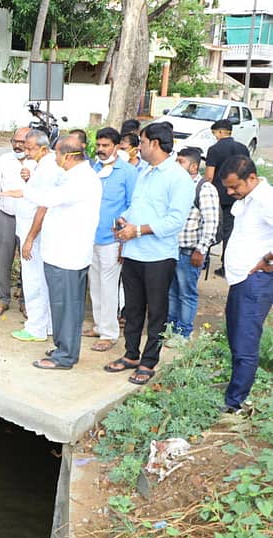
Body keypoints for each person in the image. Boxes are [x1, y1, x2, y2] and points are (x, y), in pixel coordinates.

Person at [105, 123, 193, 385]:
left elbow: (175, 221)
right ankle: (131, 355)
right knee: (132, 309)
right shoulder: (144, 172)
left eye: (141, 142)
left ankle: (148, 361)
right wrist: (124, 220)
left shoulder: (178, 178)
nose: (138, 147)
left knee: (156, 311)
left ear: (154, 143)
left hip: (158, 256)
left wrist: (139, 230)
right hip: (133, 253)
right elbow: (137, 207)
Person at [26, 136, 102, 370]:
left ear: (68, 157)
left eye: (57, 154)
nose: (55, 158)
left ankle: (65, 356)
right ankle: (63, 347)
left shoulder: (81, 180)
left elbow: (46, 198)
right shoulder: (75, 176)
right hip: (64, 253)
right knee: (65, 305)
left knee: (66, 305)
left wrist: (23, 189)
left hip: (67, 255)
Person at [217, 156, 273, 413]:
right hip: (241, 280)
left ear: (251, 178)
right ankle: (236, 390)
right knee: (236, 338)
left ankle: (235, 403)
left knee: (245, 342)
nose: (230, 192)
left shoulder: (266, 200)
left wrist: (267, 260)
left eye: (233, 187)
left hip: (255, 281)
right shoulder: (248, 197)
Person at [4, 129, 60, 343]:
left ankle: (36, 327)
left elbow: (42, 206)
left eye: (29, 148)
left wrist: (29, 238)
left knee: (34, 281)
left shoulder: (48, 169)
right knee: (39, 280)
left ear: (43, 148)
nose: (26, 152)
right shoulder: (42, 166)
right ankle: (46, 325)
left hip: (35, 235)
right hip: (32, 232)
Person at [86, 127, 137, 352]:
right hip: (90, 237)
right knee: (94, 284)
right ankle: (99, 325)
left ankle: (109, 333)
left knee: (108, 287)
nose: (101, 150)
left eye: (105, 146)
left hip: (113, 239)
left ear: (116, 146)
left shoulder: (127, 172)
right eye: (98, 145)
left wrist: (123, 241)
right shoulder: (93, 168)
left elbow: (133, 205)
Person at [165, 147, 220, 343]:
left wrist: (201, 250)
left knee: (186, 293)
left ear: (194, 166)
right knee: (171, 291)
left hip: (190, 252)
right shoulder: (177, 185)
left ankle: (184, 333)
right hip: (171, 249)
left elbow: (210, 222)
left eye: (181, 161)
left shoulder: (204, 189)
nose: (176, 165)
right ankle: (170, 329)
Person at [0, 127, 35, 317]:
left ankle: (26, 301)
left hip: (28, 218)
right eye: (14, 141)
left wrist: (31, 177)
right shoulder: (5, 160)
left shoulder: (37, 162)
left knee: (28, 260)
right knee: (3, 258)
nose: (17, 145)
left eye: (22, 142)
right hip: (6, 215)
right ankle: (3, 298)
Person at [205, 119, 251, 278]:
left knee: (211, 227)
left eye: (214, 133)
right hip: (239, 195)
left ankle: (204, 259)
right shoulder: (243, 148)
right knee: (231, 231)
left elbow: (209, 176)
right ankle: (227, 264)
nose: (215, 137)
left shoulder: (214, 149)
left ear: (219, 132)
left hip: (219, 196)